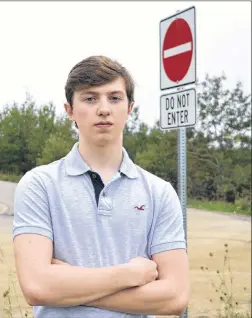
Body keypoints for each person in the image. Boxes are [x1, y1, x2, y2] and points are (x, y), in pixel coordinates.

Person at [12, 55, 189, 318]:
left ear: (130, 108)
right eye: (90, 98)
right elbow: (37, 287)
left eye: (114, 98)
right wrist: (130, 275)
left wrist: (69, 285)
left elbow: (175, 297)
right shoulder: (39, 184)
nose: (104, 109)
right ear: (69, 109)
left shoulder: (159, 192)